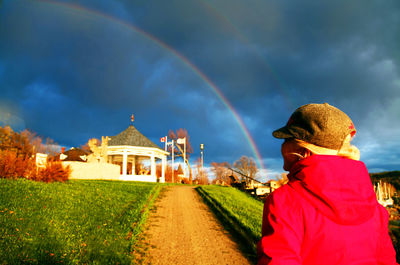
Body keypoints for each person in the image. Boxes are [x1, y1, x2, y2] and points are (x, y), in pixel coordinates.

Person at [257, 103, 397, 265]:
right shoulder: (376, 208)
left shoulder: (284, 202)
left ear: (303, 149)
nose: (281, 145)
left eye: (287, 139)